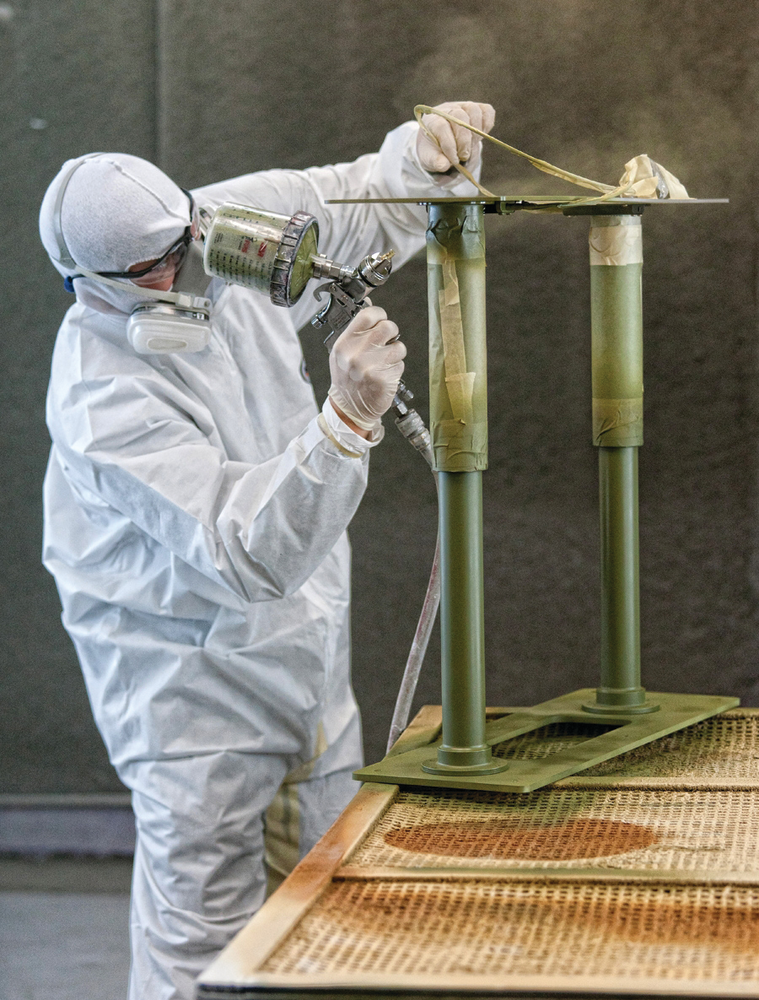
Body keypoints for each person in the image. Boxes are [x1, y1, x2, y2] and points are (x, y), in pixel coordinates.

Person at [38, 101, 495, 1000]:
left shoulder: (214, 231)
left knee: (327, 917)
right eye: (155, 268)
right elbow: (236, 548)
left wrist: (422, 156)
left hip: (305, 662)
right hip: (191, 704)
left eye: (188, 241)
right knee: (205, 945)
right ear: (91, 283)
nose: (188, 270)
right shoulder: (103, 397)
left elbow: (349, 202)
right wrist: (345, 423)